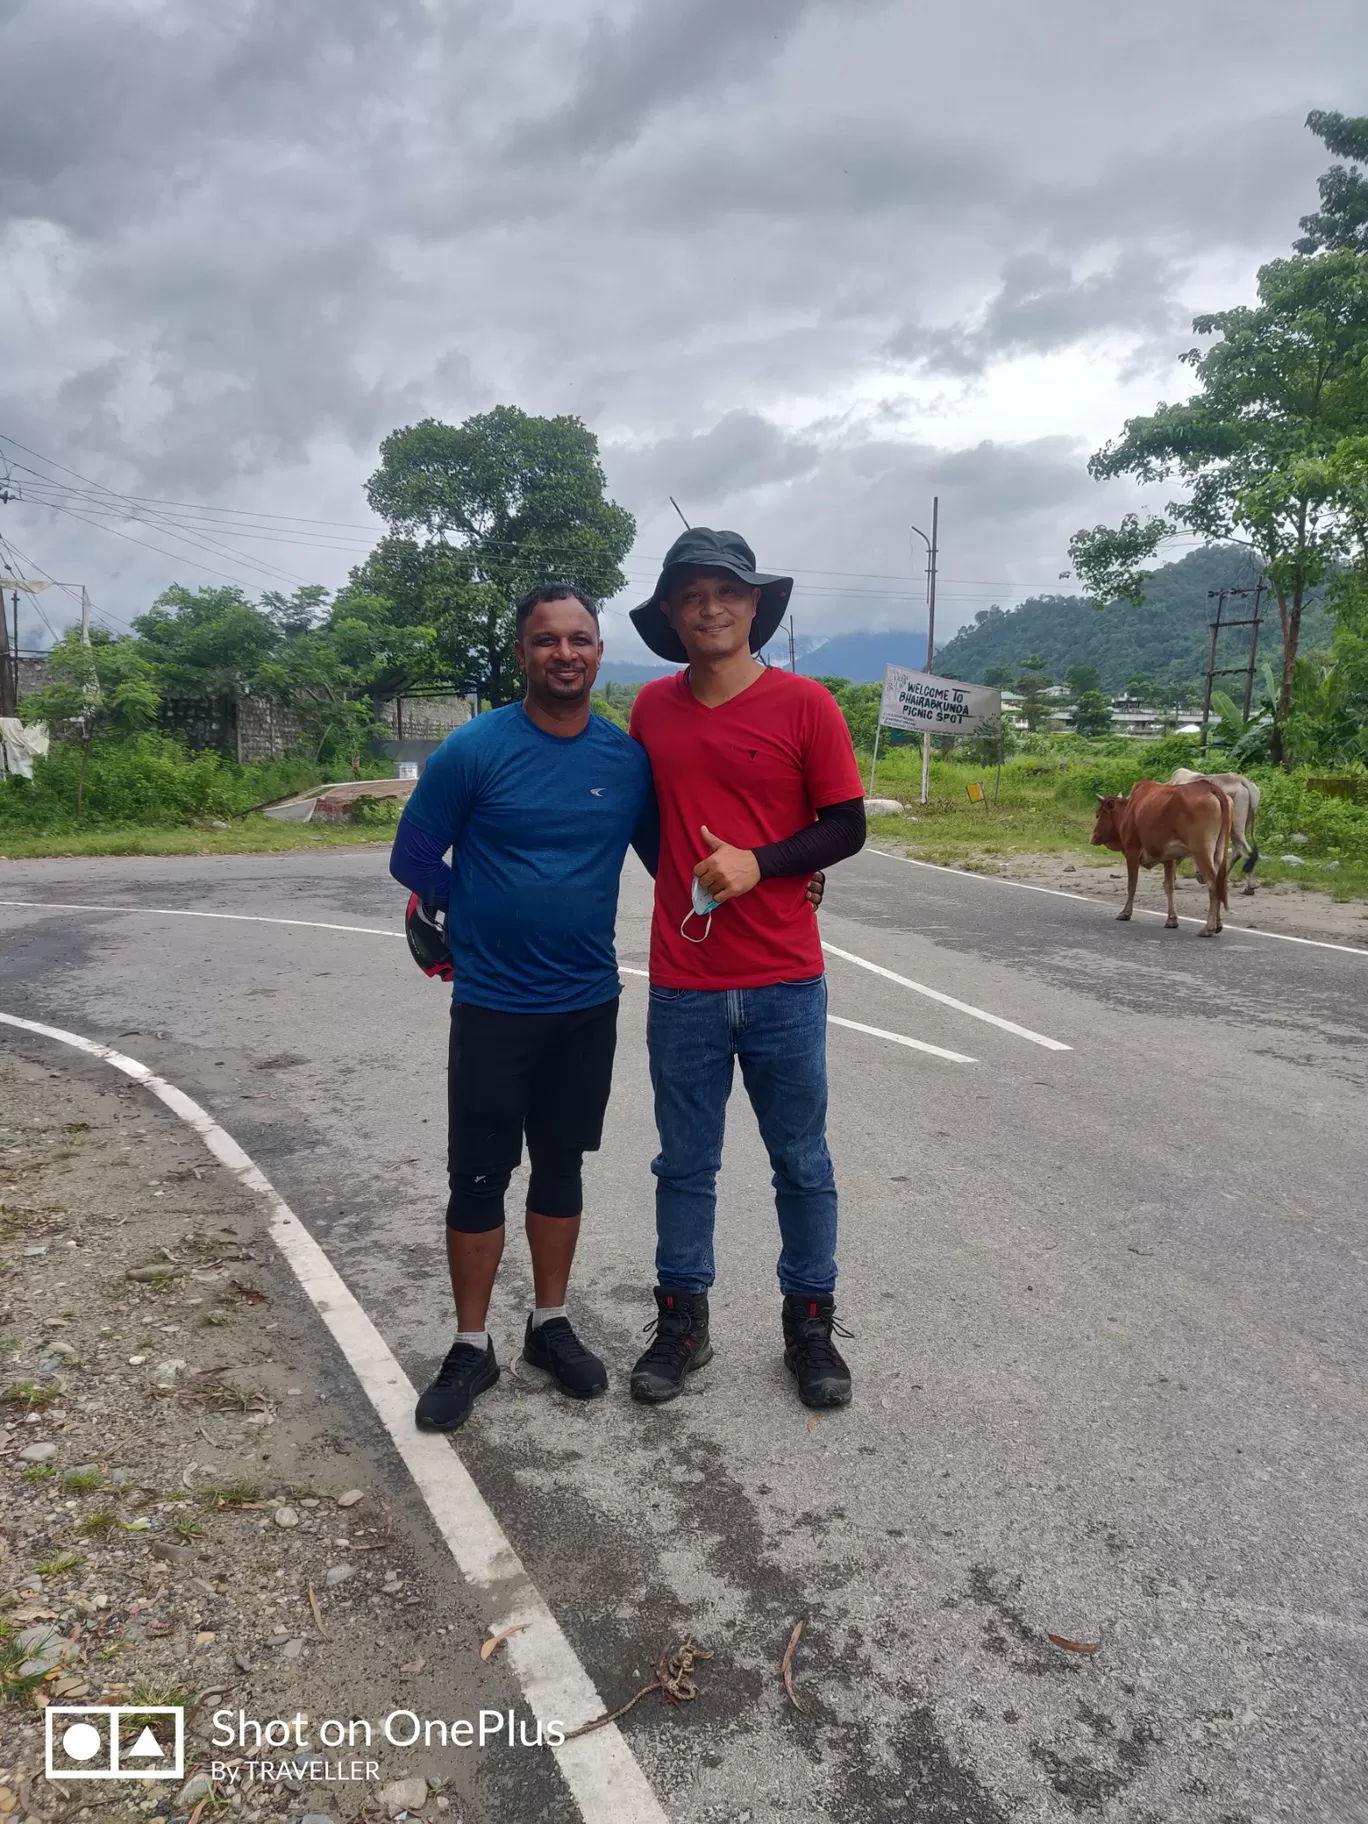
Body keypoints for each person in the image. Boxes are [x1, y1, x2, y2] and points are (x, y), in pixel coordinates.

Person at [389, 583, 654, 1431]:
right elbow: (414, 852)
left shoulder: (624, 761)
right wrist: (460, 912)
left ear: (599, 653)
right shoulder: (474, 749)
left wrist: (787, 868)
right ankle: (472, 1344)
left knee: (562, 1167)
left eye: (580, 639)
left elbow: (678, 857)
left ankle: (549, 1324)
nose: (565, 654)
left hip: (586, 1003)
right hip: (495, 1006)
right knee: (477, 1175)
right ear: (522, 654)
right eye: (547, 640)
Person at [625, 528, 867, 1410]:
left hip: (784, 982)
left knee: (801, 1159)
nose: (711, 606)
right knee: (683, 1164)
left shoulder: (808, 705)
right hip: (684, 984)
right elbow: (645, 824)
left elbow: (845, 825)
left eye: (727, 590)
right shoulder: (649, 710)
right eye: (691, 595)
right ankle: (682, 1320)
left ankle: (809, 1322)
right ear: (671, 616)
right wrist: (690, 888)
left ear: (755, 604)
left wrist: (760, 868)